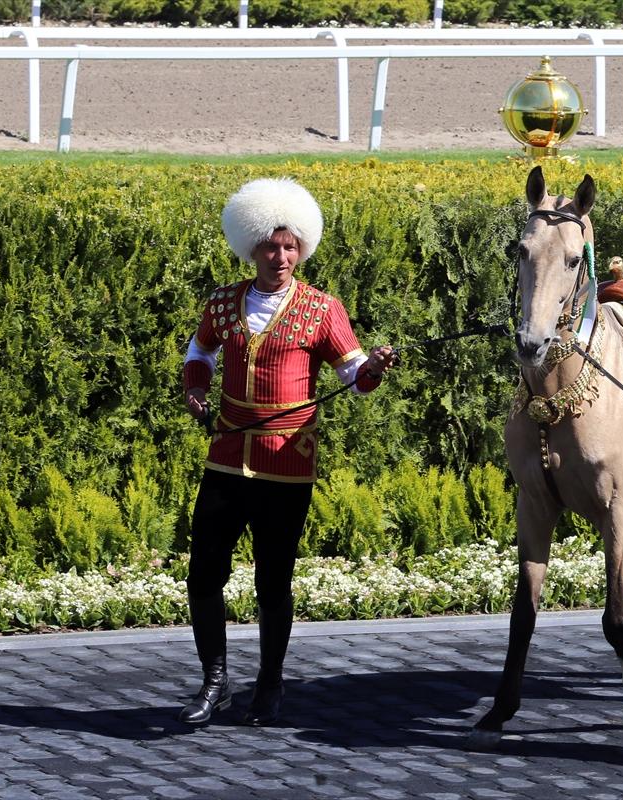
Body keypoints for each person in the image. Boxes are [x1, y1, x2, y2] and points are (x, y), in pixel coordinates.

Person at [178, 177, 397, 727]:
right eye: (272, 246)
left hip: (287, 463)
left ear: (302, 250)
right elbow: (199, 349)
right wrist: (195, 385)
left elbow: (352, 371)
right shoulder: (224, 303)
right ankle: (215, 680)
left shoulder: (323, 309)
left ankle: (270, 683)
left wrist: (371, 370)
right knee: (204, 571)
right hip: (226, 454)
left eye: (290, 246)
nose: (281, 256)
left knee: (272, 578)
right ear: (251, 248)